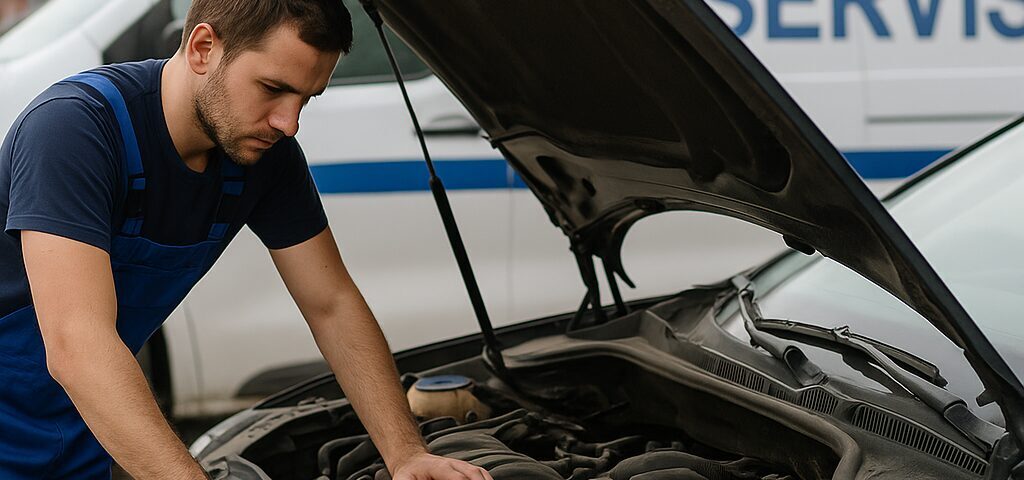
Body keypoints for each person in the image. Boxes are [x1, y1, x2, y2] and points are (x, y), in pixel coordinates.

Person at [0, 1, 493, 479]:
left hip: (80, 434)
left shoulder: (264, 157)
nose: (289, 123)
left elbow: (332, 304)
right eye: (273, 88)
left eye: (306, 99)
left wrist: (406, 455)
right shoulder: (75, 129)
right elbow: (78, 344)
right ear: (203, 48)